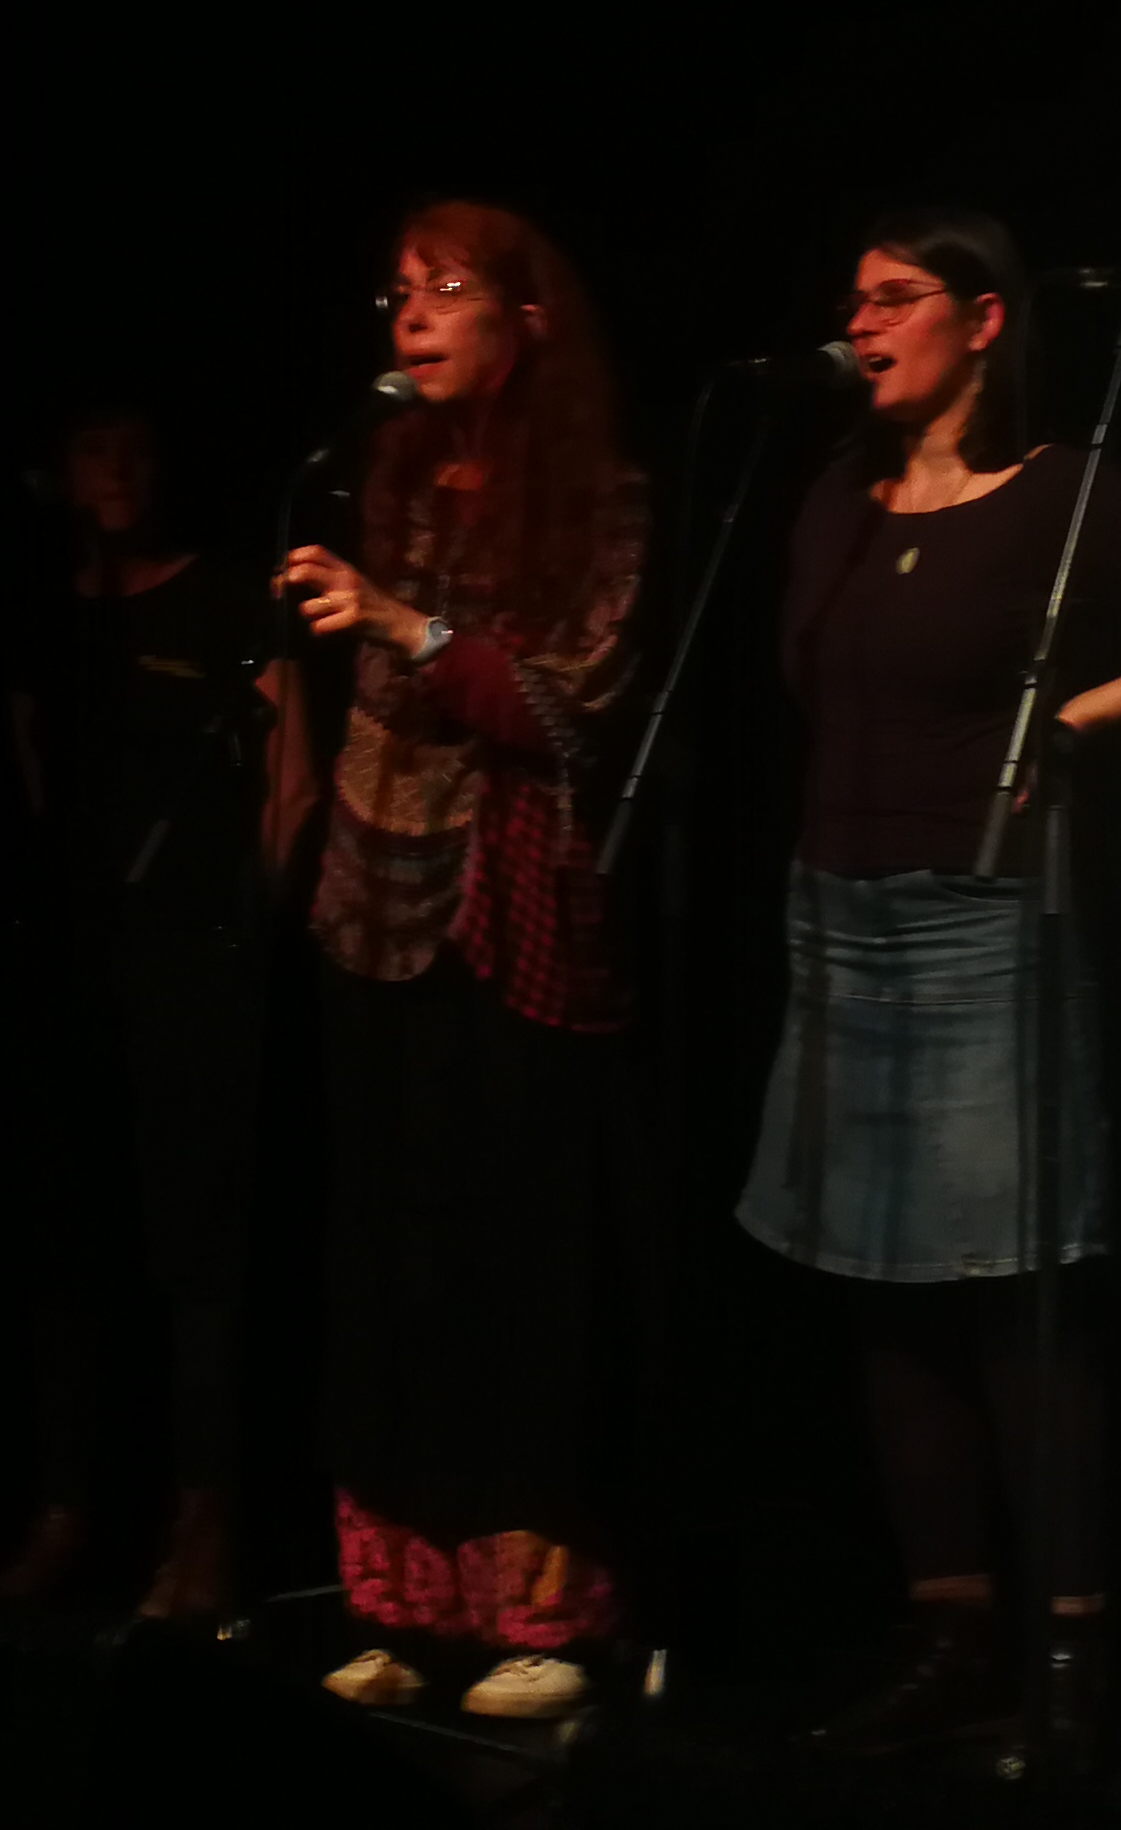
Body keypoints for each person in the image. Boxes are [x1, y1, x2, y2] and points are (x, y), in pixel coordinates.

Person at [740, 208, 1121, 1773]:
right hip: (834, 915)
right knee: (879, 1284)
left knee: (1009, 1290)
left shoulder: (1059, 493)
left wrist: (1078, 720)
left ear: (984, 320)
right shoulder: (835, 499)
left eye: (895, 296)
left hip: (984, 921)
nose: (862, 323)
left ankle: (1069, 1650)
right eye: (853, 298)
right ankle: (949, 1630)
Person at [275, 200, 647, 1723]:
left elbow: (571, 709)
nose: (410, 317)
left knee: (518, 1259)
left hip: (513, 908)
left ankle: (539, 1614)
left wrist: (411, 628)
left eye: (444, 290)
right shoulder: (389, 478)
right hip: (373, 897)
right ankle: (401, 1601)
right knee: (387, 1255)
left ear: (526, 320)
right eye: (397, 294)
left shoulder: (602, 500)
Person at [0, 402, 312, 1622]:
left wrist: (234, 932)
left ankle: (203, 1522)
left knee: (197, 1251)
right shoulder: (48, 617)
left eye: (135, 446)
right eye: (91, 446)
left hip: (195, 967)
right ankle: (66, 1511)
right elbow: (36, 771)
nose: (115, 470)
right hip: (74, 965)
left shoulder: (225, 598)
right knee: (69, 1240)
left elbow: (290, 783)